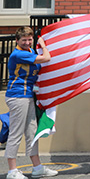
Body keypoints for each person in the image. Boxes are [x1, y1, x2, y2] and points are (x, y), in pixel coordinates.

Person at [5, 27, 57, 179]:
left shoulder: (29, 52)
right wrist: (43, 45)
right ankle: (12, 171)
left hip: (28, 96)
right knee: (16, 133)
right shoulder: (18, 54)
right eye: (24, 40)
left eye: (30, 39)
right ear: (17, 41)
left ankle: (37, 167)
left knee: (32, 133)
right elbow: (46, 58)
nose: (27, 42)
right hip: (17, 97)